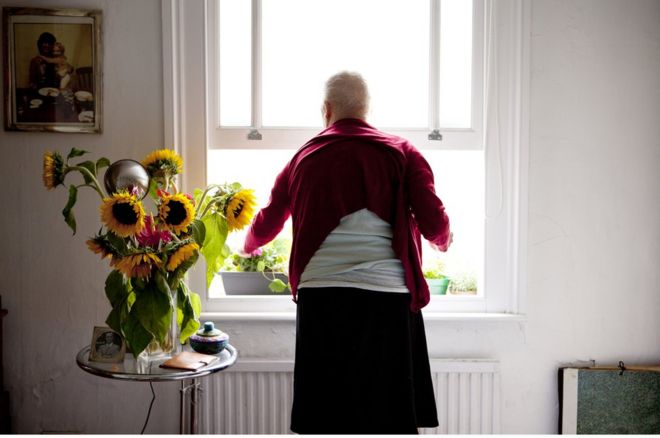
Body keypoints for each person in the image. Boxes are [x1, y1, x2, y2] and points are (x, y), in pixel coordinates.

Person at [242, 71, 452, 434]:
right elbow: (434, 219)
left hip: (322, 300)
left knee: (326, 419)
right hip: (387, 301)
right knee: (388, 419)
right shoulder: (402, 152)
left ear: (326, 110)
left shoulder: (303, 159)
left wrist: (247, 247)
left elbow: (267, 221)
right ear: (367, 110)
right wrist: (442, 241)